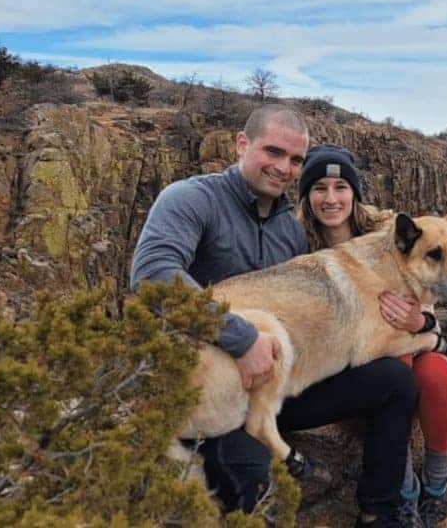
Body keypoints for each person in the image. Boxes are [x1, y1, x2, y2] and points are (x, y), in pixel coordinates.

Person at [130, 105, 423, 527]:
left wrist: (420, 324)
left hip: (274, 382)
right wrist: (240, 339)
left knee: (394, 382)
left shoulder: (290, 229)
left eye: (295, 160)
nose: (284, 168)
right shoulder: (192, 199)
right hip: (211, 388)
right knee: (256, 492)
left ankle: (379, 512)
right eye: (273, 152)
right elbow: (155, 275)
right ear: (242, 144)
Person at [296, 144, 447, 528]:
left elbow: (426, 299)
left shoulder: (390, 231)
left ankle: (437, 485)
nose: (331, 198)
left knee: (437, 373)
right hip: (351, 363)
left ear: (355, 192)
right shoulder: (295, 243)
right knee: (393, 364)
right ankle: (400, 487)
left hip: (406, 339)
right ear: (306, 195)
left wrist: (423, 325)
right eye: (319, 188)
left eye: (341, 187)